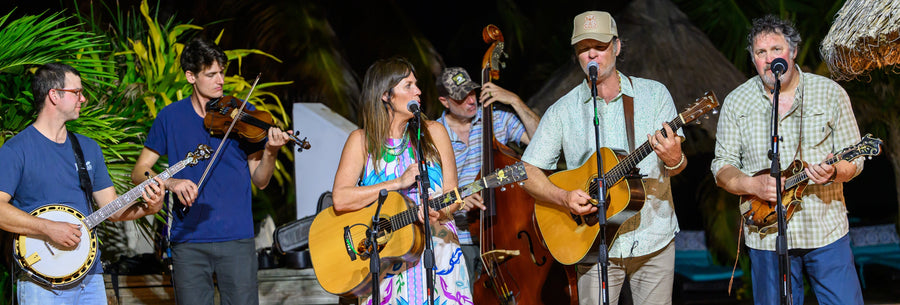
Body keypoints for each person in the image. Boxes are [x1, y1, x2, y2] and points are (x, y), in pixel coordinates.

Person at [519, 11, 686, 305]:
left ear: (617, 47)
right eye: (584, 48)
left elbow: (677, 166)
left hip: (654, 238)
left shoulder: (654, 94)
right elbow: (527, 170)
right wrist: (562, 197)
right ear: (576, 55)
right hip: (593, 242)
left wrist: (674, 160)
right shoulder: (562, 109)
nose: (592, 54)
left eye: (600, 46)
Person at [711, 15, 864, 304]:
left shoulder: (830, 94)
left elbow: (854, 161)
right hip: (766, 236)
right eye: (761, 52)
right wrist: (751, 185)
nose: (769, 60)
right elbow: (721, 166)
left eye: (776, 50)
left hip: (825, 232)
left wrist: (833, 173)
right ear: (753, 58)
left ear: (792, 52)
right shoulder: (736, 102)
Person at [130, 38, 291, 305]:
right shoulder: (170, 117)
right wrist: (171, 183)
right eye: (211, 74)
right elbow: (139, 172)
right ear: (190, 76)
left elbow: (261, 181)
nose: (220, 80)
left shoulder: (244, 113)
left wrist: (271, 152)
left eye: (222, 72)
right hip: (187, 240)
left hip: (236, 239)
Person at [0, 63, 166, 304]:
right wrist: (48, 228)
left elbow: (112, 209)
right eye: (77, 92)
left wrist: (149, 207)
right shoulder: (16, 150)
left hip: (90, 278)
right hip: (41, 282)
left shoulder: (88, 148)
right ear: (54, 95)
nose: (84, 99)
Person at [331, 57, 470, 305]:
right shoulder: (361, 141)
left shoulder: (435, 133)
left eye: (416, 84)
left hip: (438, 251)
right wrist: (398, 182)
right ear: (386, 95)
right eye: (408, 85)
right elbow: (341, 198)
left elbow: (453, 195)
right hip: (386, 258)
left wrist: (441, 210)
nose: (417, 91)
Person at [433, 66, 540, 280]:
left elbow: (543, 143)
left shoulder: (497, 119)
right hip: (458, 238)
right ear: (444, 101)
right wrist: (460, 198)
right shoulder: (434, 134)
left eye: (472, 92)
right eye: (461, 97)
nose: (471, 100)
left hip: (506, 231)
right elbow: (430, 193)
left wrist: (515, 101)